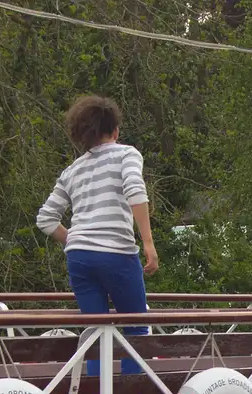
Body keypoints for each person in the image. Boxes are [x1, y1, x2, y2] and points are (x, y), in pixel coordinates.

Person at [36, 95, 159, 376]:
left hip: (79, 258)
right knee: (136, 326)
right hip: (116, 253)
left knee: (96, 332)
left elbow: (45, 218)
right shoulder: (126, 154)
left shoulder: (72, 170)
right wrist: (148, 243)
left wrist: (76, 239)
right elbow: (136, 192)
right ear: (115, 131)